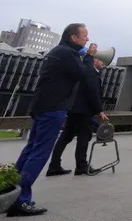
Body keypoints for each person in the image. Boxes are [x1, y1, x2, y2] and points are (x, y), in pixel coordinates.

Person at [9, 23, 108, 217]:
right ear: (73, 37)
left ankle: (11, 190)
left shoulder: (59, 51)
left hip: (43, 105)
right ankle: (21, 200)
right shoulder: (67, 54)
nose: (87, 39)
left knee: (31, 148)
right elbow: (83, 73)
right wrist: (89, 56)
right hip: (53, 108)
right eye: (85, 36)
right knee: (40, 152)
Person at [46, 44, 105, 177]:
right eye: (101, 60)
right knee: (84, 137)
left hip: (73, 108)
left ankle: (54, 165)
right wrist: (99, 110)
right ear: (95, 60)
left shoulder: (85, 69)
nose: (103, 63)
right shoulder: (90, 71)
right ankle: (81, 166)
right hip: (83, 110)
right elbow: (93, 93)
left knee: (65, 137)